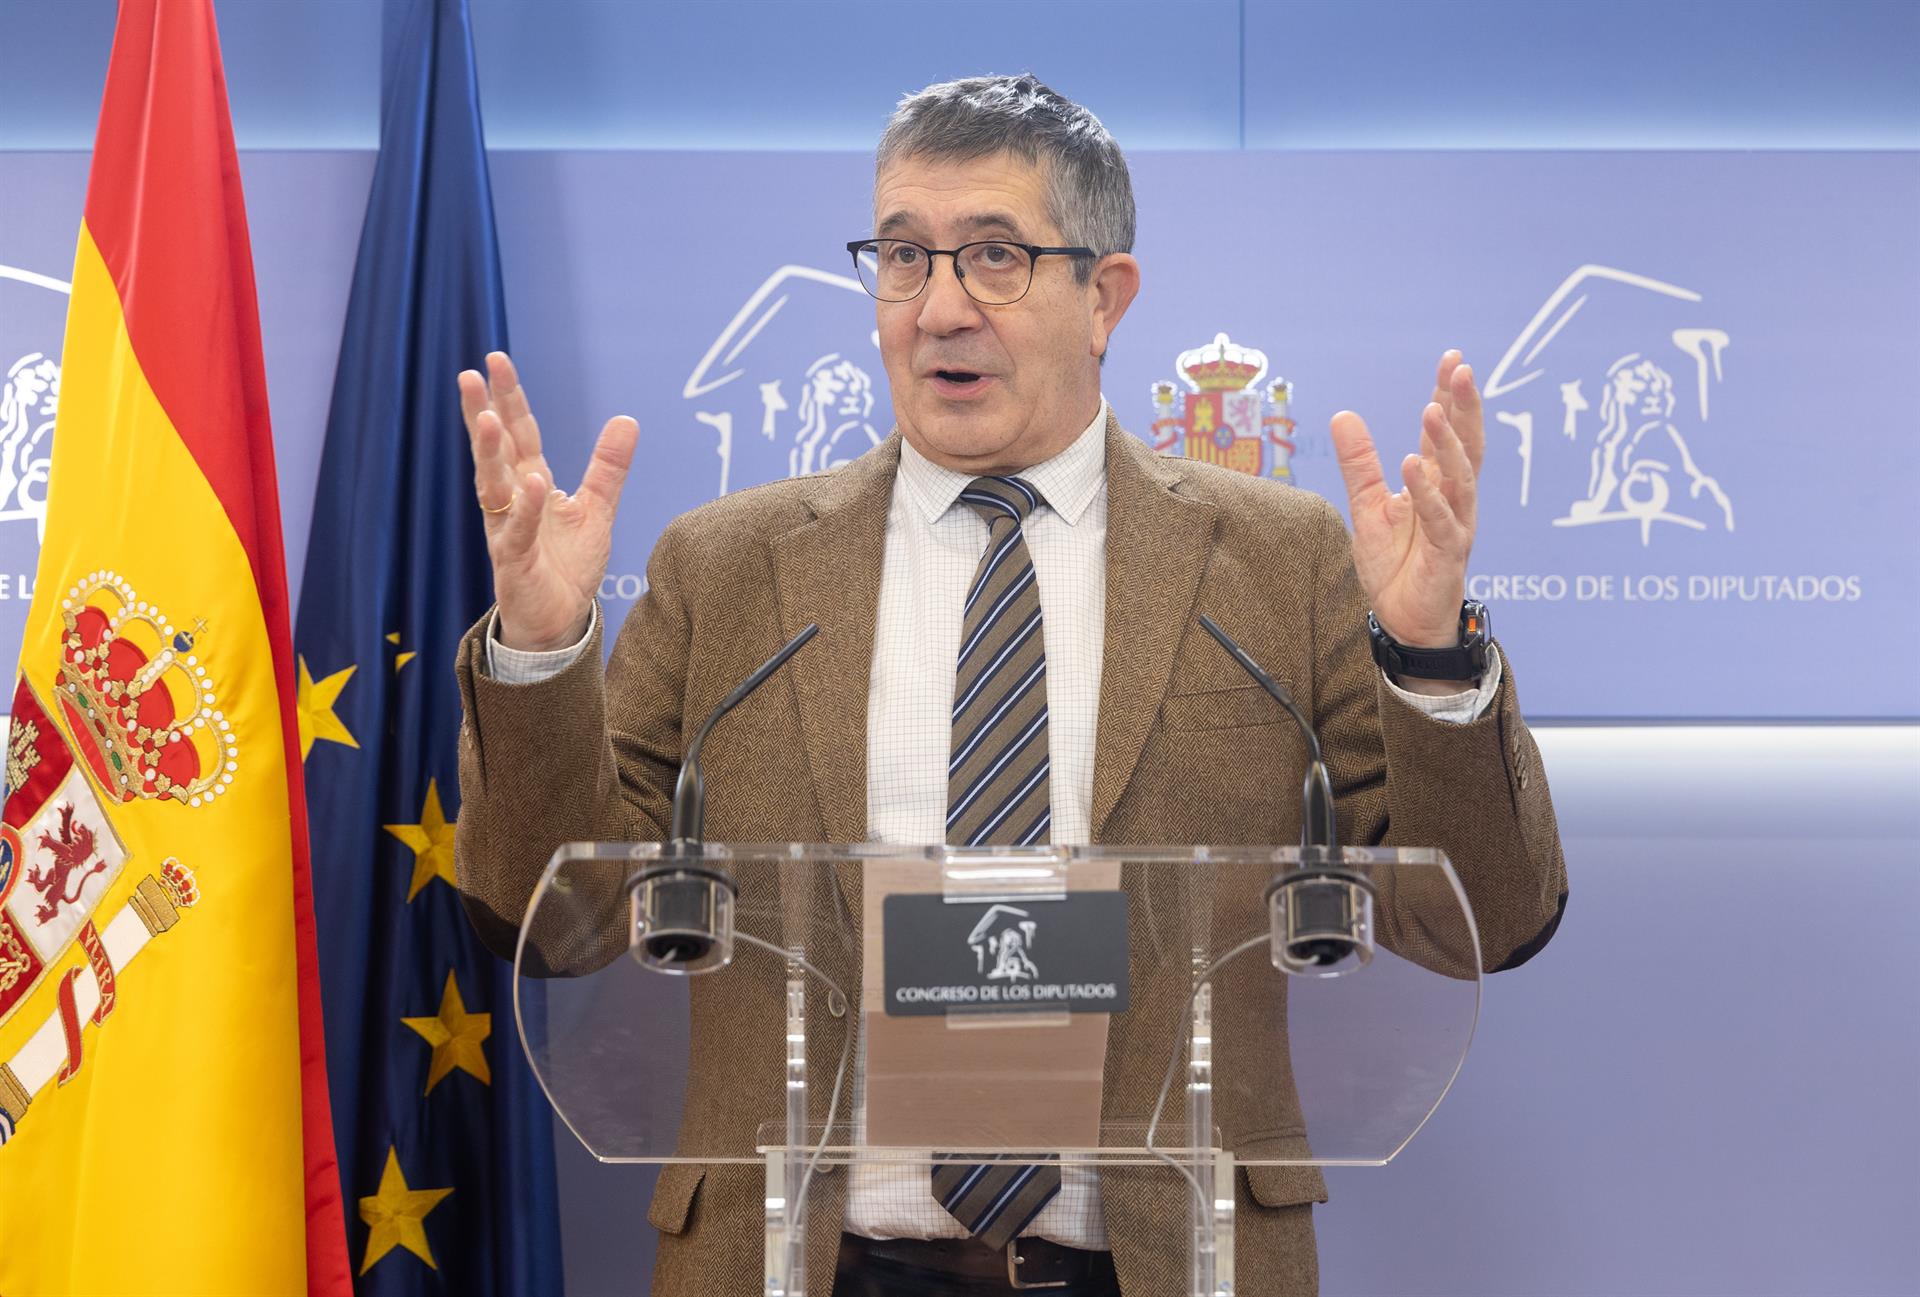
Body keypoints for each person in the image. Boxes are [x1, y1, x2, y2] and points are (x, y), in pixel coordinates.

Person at [452, 74, 1566, 1297]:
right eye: (903, 256)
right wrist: (540, 649)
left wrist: (1429, 657)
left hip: (1163, 1266)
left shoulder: (1277, 560)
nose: (938, 309)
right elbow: (550, 917)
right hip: (803, 1264)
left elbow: (1487, 915)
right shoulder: (727, 567)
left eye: (994, 256)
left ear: (1105, 296)